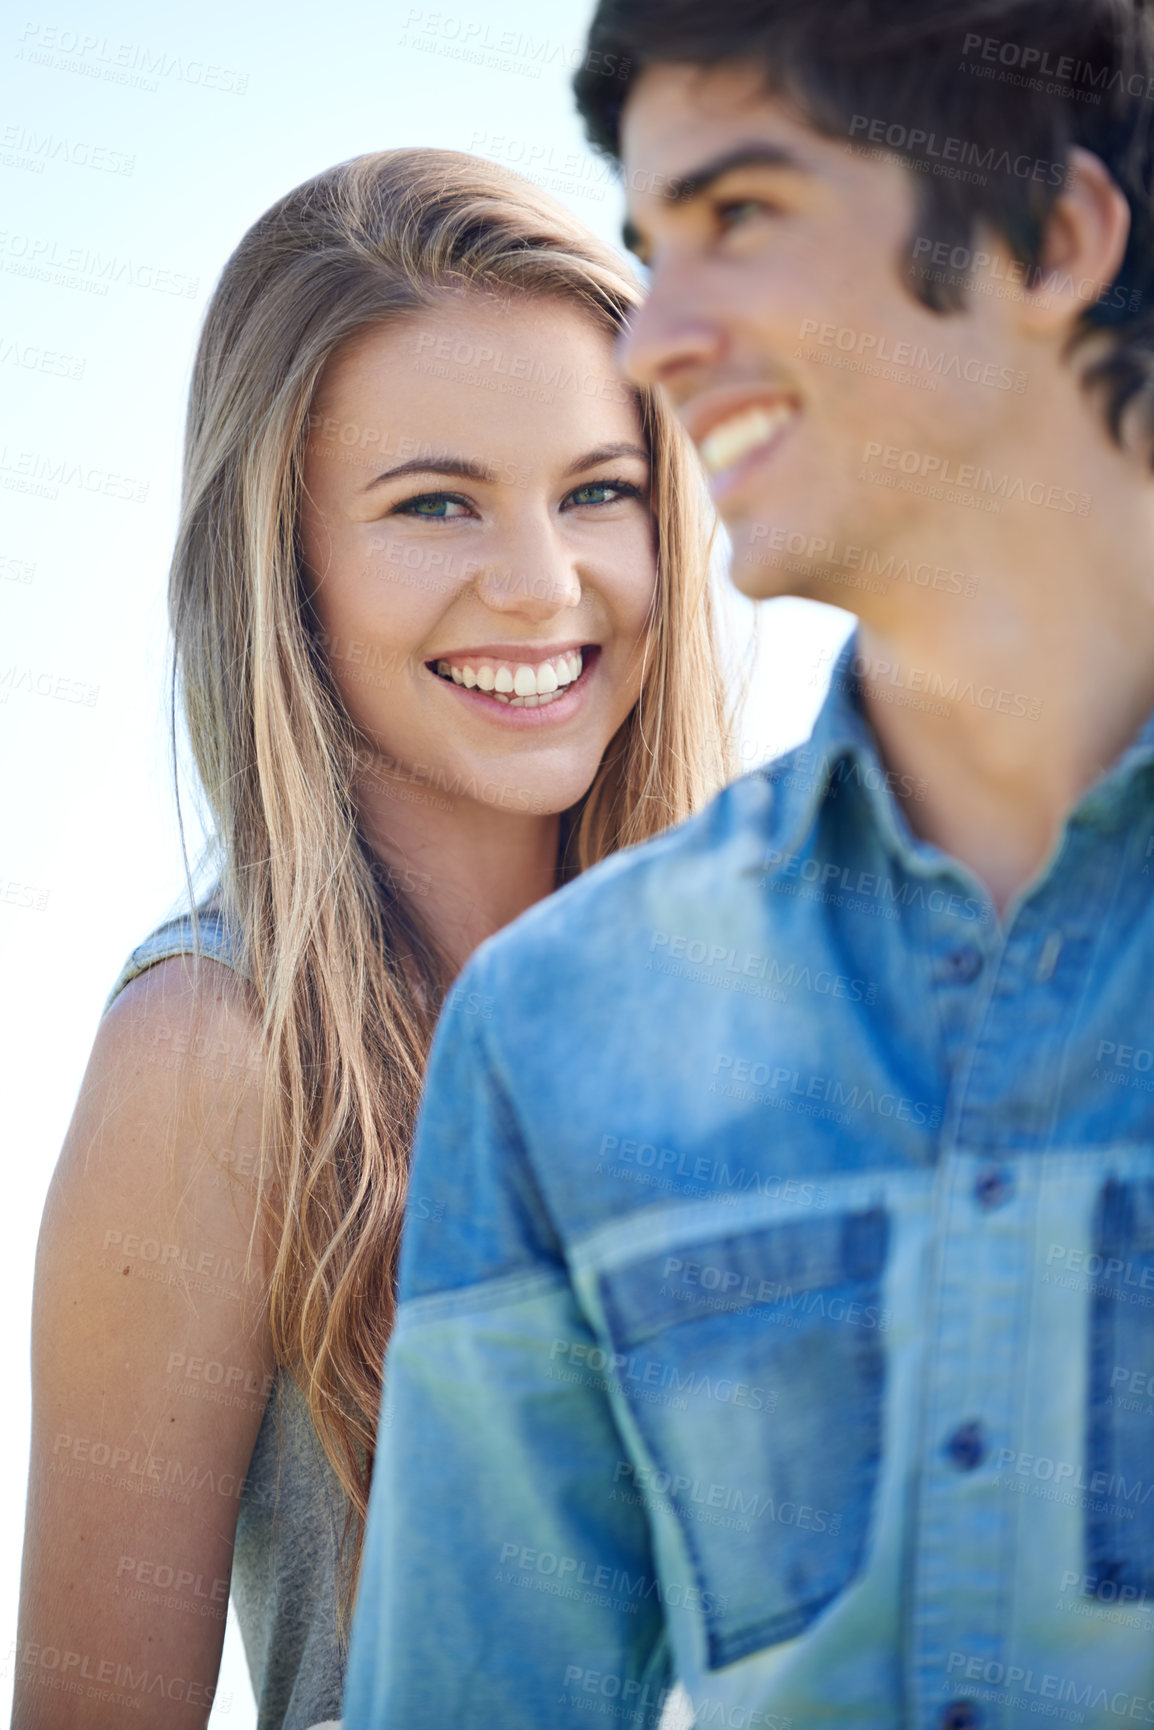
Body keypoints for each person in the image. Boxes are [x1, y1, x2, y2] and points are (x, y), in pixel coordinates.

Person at [342, 2, 1154, 1726]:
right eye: (648, 246)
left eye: (741, 220)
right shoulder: (558, 1033)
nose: (655, 343)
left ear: (1058, 233)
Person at [13, 146, 733, 1730]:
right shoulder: (213, 1051)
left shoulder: (776, 1004)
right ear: (287, 566)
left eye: (596, 491)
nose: (542, 587)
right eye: (433, 503)